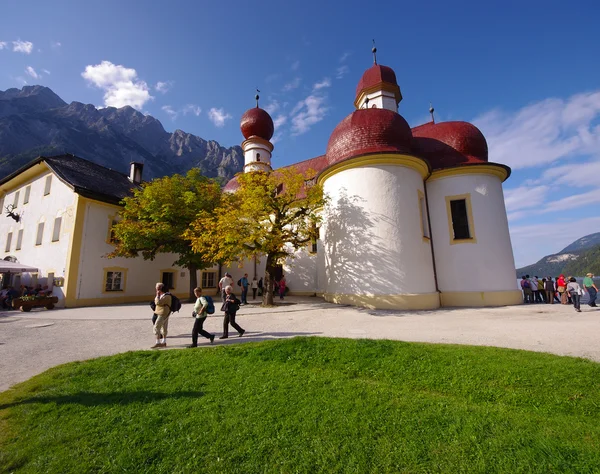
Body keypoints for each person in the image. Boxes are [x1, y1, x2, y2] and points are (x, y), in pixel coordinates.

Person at [151, 282, 172, 348]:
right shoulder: (163, 295)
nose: (157, 290)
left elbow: (158, 302)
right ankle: (164, 342)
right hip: (160, 312)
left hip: (163, 313)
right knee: (163, 327)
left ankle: (158, 342)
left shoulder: (167, 296)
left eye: (159, 289)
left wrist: (157, 295)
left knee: (157, 327)